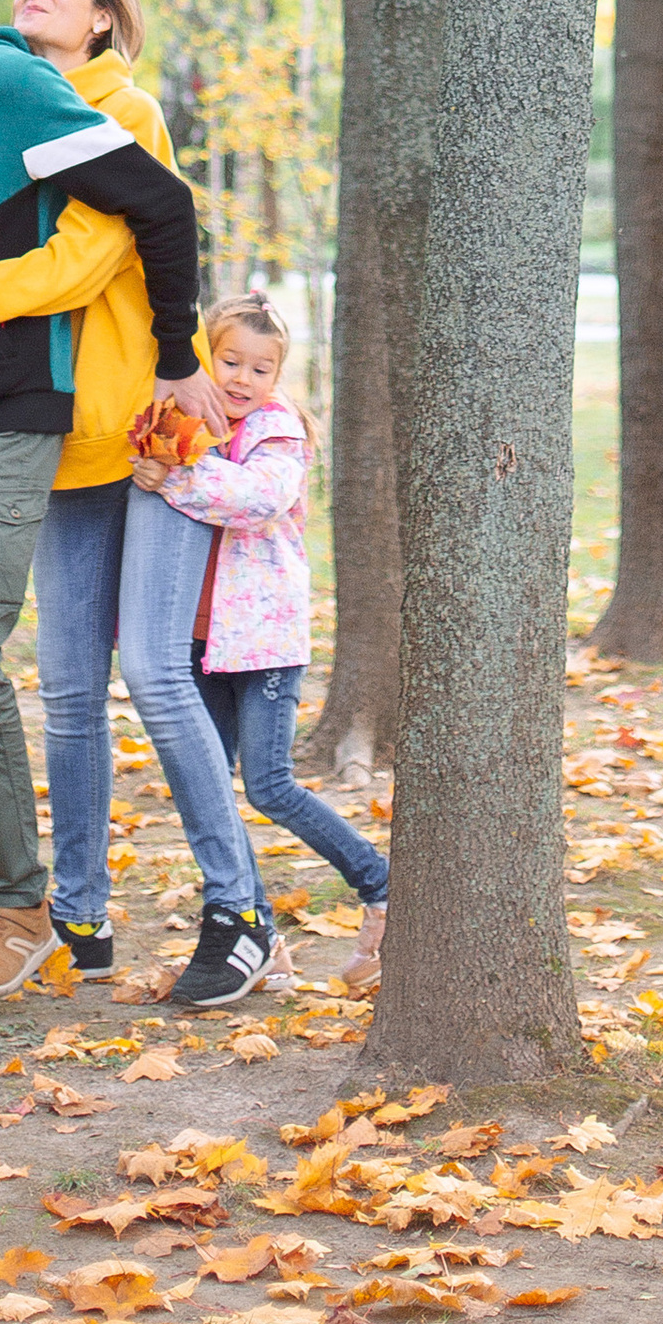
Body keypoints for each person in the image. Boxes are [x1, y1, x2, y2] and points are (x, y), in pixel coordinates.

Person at [0, 0, 279, 1012]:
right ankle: (80, 919)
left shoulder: (121, 110)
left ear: (102, 17)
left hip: (146, 430)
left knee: (152, 674)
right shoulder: (2, 106)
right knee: (65, 696)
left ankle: (237, 909)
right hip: (52, 436)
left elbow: (86, 263)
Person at [135, 289, 390, 992]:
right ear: (202, 358)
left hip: (265, 638)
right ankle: (261, 935)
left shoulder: (278, 430)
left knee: (268, 784)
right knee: (213, 789)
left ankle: (382, 886)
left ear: (278, 378)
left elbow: (255, 499)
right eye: (229, 361)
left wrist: (174, 473)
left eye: (260, 368)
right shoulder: (190, 419)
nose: (242, 379)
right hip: (199, 636)